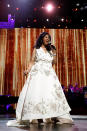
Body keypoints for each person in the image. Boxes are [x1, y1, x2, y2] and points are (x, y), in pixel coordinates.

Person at [7, 32, 73, 126]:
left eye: (49, 37)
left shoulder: (50, 50)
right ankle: (36, 116)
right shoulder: (37, 49)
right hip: (38, 74)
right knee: (37, 93)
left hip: (49, 75)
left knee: (50, 94)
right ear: (42, 38)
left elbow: (53, 62)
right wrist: (28, 70)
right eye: (46, 37)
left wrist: (54, 53)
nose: (47, 39)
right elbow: (32, 61)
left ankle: (49, 115)